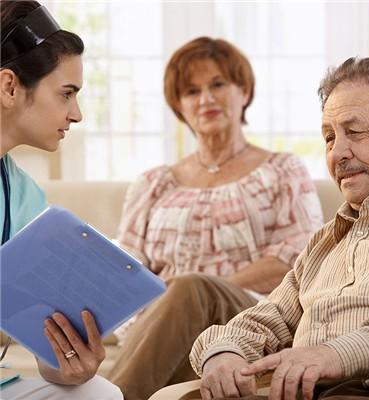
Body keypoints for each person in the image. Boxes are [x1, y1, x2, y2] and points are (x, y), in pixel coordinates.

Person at [107, 36, 323, 400]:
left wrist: (195, 292)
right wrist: (170, 303)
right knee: (184, 292)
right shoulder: (152, 183)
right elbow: (126, 269)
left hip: (248, 319)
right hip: (162, 328)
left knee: (191, 288)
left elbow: (299, 261)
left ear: (244, 91)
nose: (205, 99)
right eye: (192, 91)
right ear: (179, 106)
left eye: (218, 84)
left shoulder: (283, 170)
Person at [190, 56, 369, 400]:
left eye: (355, 132)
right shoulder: (326, 242)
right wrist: (224, 353)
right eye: (329, 137)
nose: (337, 153)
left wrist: (334, 355)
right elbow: (265, 318)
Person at [0, 1, 123, 399]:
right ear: (9, 87)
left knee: (98, 393)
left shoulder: (24, 197)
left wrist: (69, 366)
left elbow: (41, 339)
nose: (77, 114)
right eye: (66, 94)